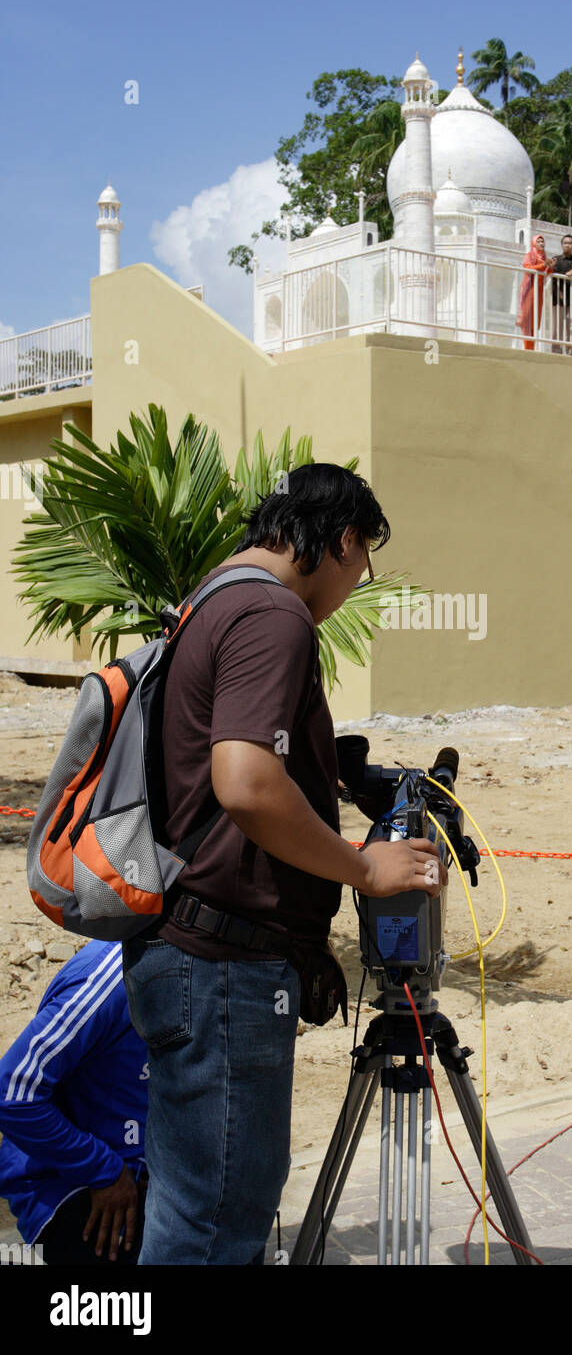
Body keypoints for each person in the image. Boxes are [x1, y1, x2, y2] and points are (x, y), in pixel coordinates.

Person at [122, 462, 449, 1265]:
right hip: (224, 967)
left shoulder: (210, 598)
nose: (351, 586)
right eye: (360, 564)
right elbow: (246, 781)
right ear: (342, 539)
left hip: (189, 956)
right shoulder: (273, 615)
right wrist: (362, 869)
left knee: (192, 1206)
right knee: (218, 1222)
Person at [0, 940, 148, 1267]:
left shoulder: (212, 961)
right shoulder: (114, 976)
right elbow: (12, 1094)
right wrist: (102, 1170)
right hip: (77, 1184)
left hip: (145, 1171)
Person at [516, 234, 555, 350]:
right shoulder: (530, 255)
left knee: (534, 320)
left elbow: (547, 272)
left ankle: (531, 347)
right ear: (534, 243)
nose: (542, 244)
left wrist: (551, 266)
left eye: (543, 242)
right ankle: (527, 346)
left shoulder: (543, 257)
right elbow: (527, 267)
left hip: (539, 292)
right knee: (526, 319)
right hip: (529, 290)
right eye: (539, 242)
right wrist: (543, 265)